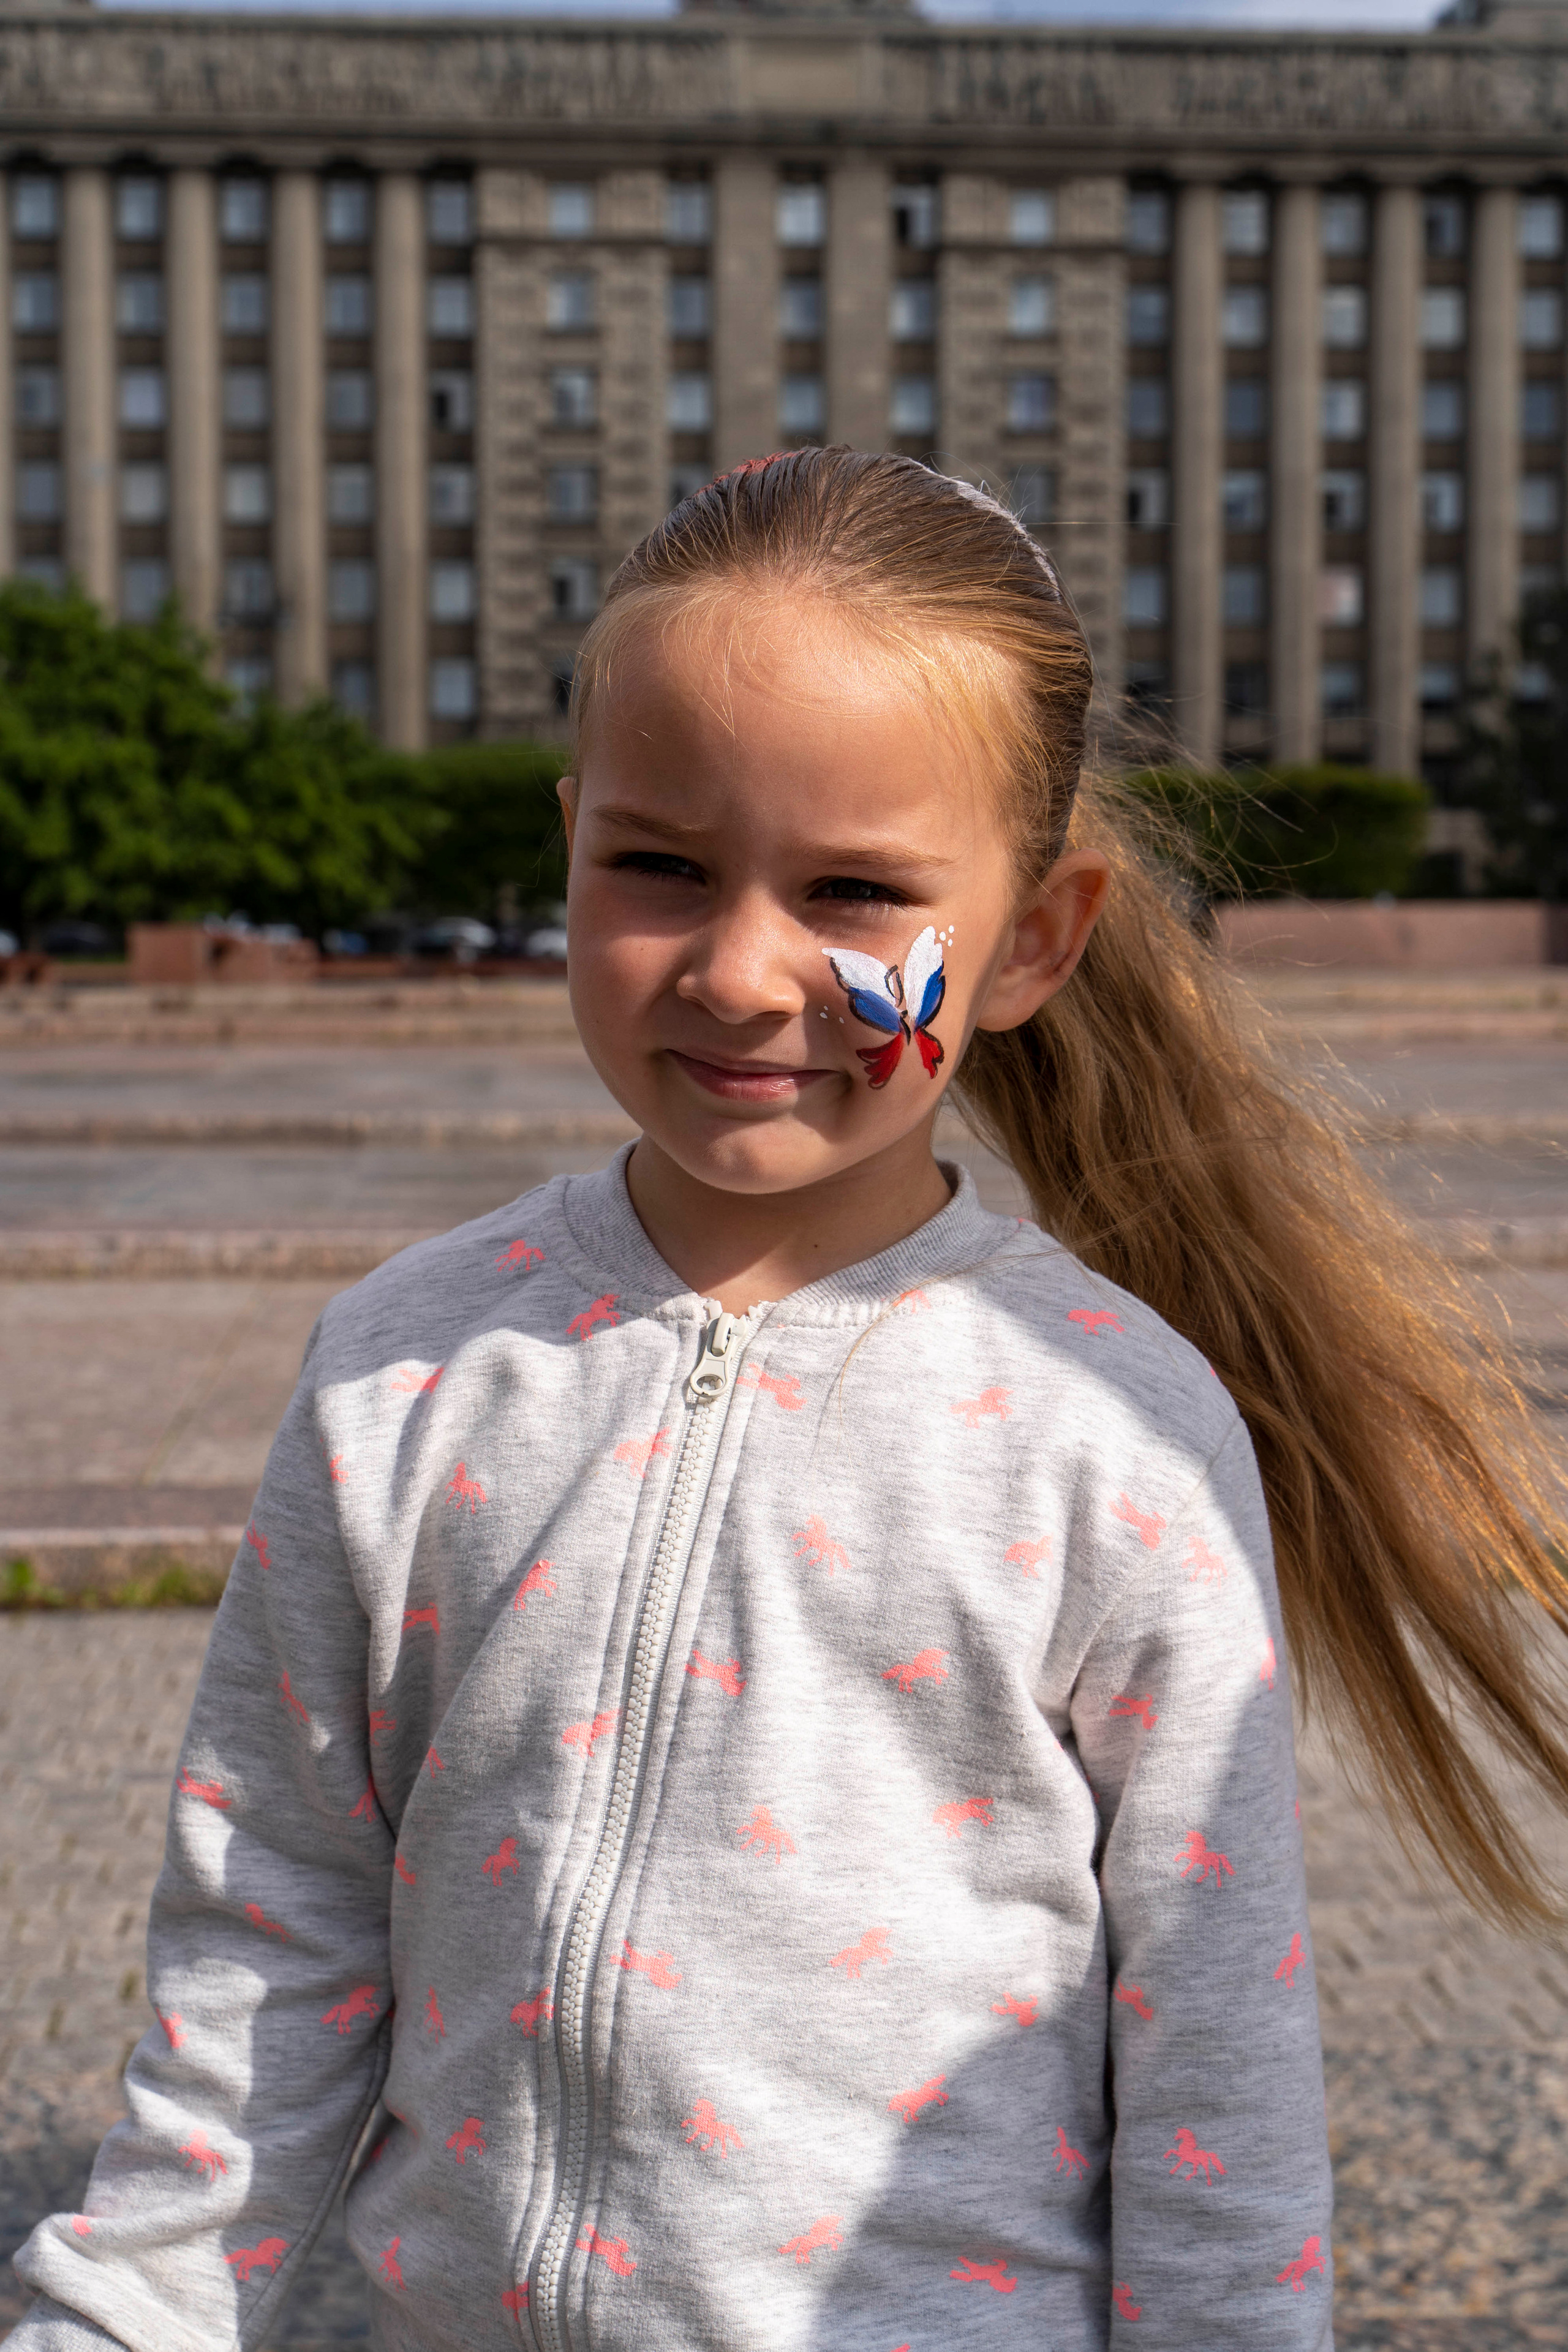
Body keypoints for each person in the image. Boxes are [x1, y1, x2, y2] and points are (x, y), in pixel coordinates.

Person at [12, 448, 1567, 2352]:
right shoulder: (405, 1362)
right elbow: (276, 1915)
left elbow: (1215, 2070)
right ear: (570, 839)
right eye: (658, 864)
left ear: (1038, 940)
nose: (742, 972)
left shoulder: (1113, 1432)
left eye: (853, 893)